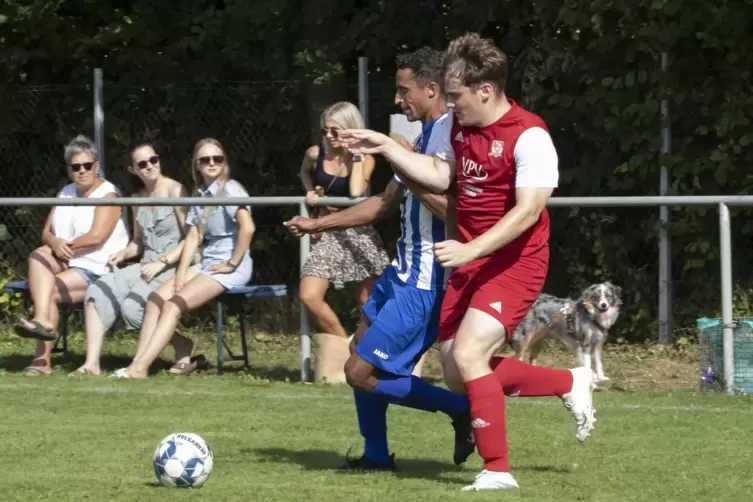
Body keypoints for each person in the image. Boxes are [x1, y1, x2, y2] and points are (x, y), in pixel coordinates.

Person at [338, 33, 597, 491]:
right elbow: (439, 175)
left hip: (515, 261)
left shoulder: (530, 135)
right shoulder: (457, 128)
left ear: (486, 90)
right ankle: (567, 381)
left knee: (470, 353)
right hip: (470, 261)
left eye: (456, 96)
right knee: (458, 374)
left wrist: (471, 249)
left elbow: (527, 212)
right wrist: (385, 146)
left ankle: (497, 469)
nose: (451, 105)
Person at [285, 47, 474, 470]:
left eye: (403, 90)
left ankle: (460, 410)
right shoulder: (423, 138)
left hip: (428, 280)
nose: (397, 100)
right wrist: (317, 226)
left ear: (430, 88)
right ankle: (374, 456)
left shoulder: (450, 136)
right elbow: (383, 206)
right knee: (358, 350)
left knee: (360, 373)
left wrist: (395, 158)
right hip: (400, 271)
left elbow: (455, 212)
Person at [113, 138, 255, 379]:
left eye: (217, 158)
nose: (212, 163)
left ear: (224, 162)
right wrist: (179, 274)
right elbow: (192, 237)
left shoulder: (231, 189)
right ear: (196, 165)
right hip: (207, 262)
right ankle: (137, 362)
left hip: (230, 266)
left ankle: (140, 368)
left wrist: (232, 263)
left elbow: (248, 228)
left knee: (172, 305)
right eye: (205, 159)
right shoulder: (200, 192)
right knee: (155, 299)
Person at [72, 143, 193, 376]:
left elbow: (191, 238)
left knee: (133, 308)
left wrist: (163, 262)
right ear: (133, 170)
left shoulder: (176, 191)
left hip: (175, 265)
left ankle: (174, 346)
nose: (150, 167)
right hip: (146, 264)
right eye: (142, 164)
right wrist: (123, 254)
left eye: (153, 160)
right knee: (100, 288)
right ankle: (91, 364)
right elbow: (138, 241)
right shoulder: (137, 198)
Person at [13, 135, 130, 376]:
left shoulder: (109, 195)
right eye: (76, 167)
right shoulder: (64, 193)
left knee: (48, 291)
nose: (82, 171)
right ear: (69, 169)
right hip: (68, 261)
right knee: (37, 254)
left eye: (87, 166)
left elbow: (97, 237)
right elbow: (46, 232)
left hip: (97, 268)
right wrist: (54, 242)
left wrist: (64, 247)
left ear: (96, 166)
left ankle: (41, 360)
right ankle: (42, 321)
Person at [298, 101, 390, 341]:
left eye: (335, 131)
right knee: (309, 295)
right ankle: (343, 348)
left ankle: (368, 354)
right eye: (325, 131)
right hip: (327, 230)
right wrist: (312, 194)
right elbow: (304, 172)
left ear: (350, 129)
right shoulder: (314, 153)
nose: (329, 136)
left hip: (358, 230)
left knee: (366, 301)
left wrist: (357, 155)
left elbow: (357, 190)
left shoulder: (366, 157)